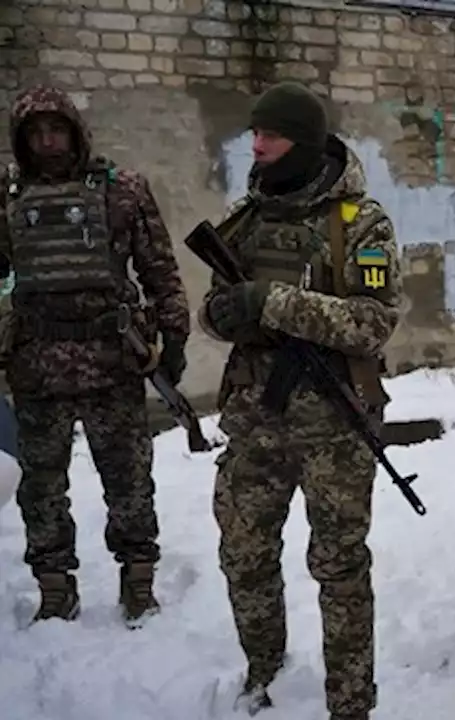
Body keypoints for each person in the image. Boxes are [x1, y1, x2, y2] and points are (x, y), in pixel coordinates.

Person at [198, 82, 401, 720]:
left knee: (339, 567)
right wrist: (228, 314)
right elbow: (210, 312)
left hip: (335, 424)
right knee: (243, 554)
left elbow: (374, 322)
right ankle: (265, 673)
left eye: (271, 135)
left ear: (304, 143)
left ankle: (350, 700)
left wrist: (275, 304)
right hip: (255, 419)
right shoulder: (244, 220)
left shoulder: (361, 223)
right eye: (255, 134)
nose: (256, 146)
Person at [0, 84, 189, 626]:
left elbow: (160, 270)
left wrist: (173, 337)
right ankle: (55, 587)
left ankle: (138, 580)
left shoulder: (120, 189)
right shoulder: (7, 195)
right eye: (34, 134)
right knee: (41, 486)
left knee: (128, 479)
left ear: (75, 132)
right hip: (36, 363)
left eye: (56, 129)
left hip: (111, 358)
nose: (47, 142)